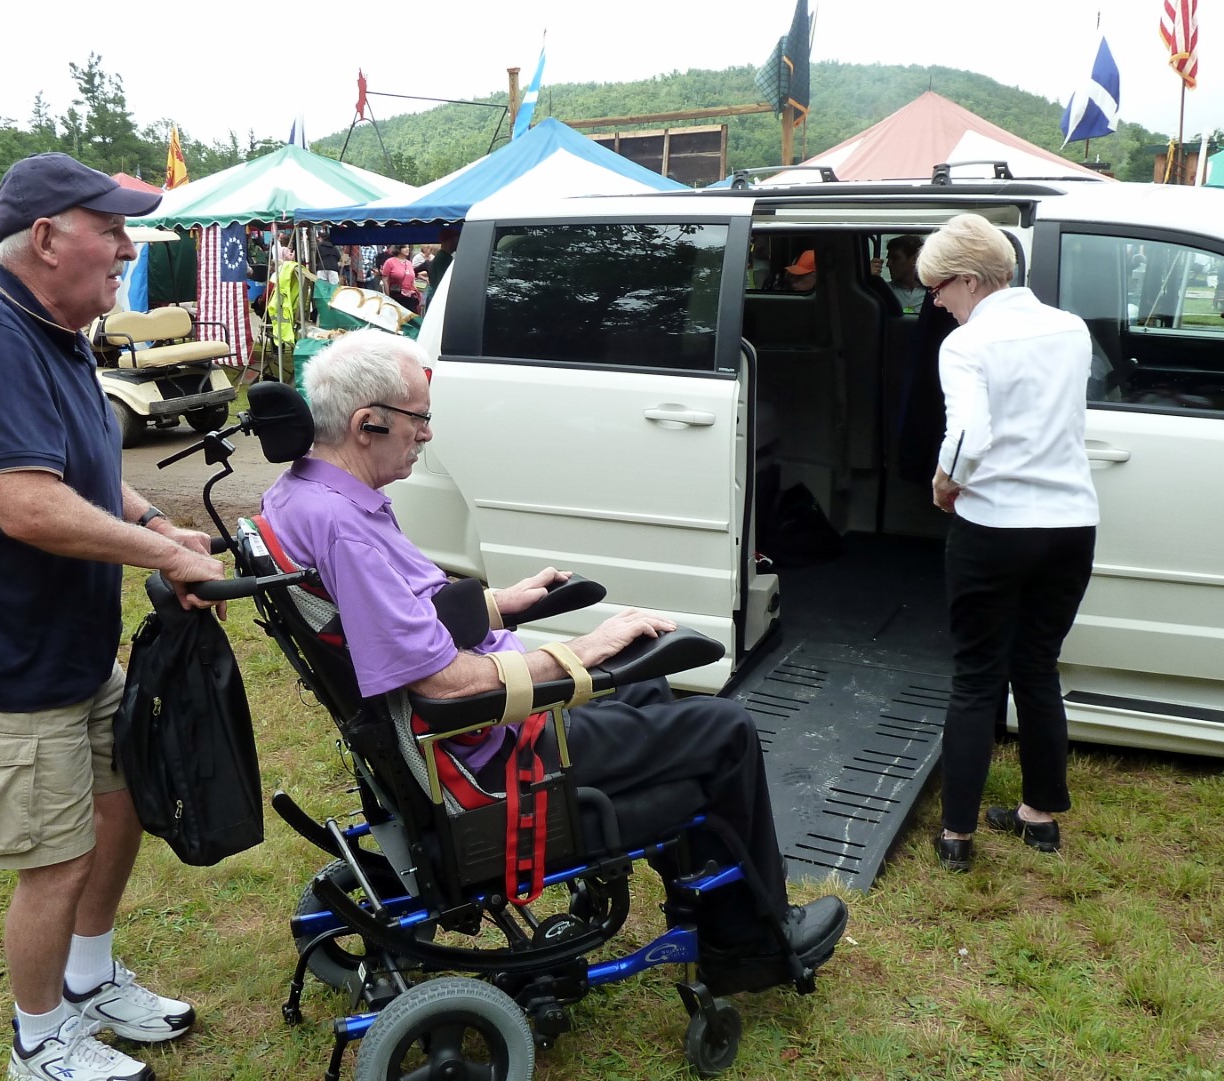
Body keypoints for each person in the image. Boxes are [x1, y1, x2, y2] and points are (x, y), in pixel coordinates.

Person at [260, 329, 850, 995]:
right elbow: (442, 684)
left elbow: (401, 618)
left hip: (447, 743)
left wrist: (500, 605)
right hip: (487, 753)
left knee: (653, 688)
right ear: (370, 422)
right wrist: (577, 654)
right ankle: (747, 945)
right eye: (420, 419)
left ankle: (705, 900)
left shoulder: (305, 495)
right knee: (724, 730)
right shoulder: (346, 528)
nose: (427, 435)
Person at [0, 151, 227, 1081]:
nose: (127, 247)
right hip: (3, 659)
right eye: (111, 228)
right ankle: (37, 1043)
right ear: (46, 239)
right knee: (52, 855)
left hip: (74, 648)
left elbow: (81, 468)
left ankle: (87, 983)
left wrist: (158, 519)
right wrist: (165, 556)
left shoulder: (56, 332)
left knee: (120, 808)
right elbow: (26, 504)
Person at [918, 214, 1097, 873]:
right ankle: (1039, 817)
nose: (936, 302)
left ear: (969, 279)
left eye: (937, 288)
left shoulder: (966, 345)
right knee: (1038, 665)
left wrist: (944, 482)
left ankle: (957, 835)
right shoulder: (1070, 329)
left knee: (975, 677)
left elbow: (970, 433)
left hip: (994, 526)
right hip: (1071, 524)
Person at [883, 235, 927, 312]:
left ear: (914, 259)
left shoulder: (934, 293)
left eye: (895, 258)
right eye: (889, 258)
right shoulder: (884, 291)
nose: (888, 264)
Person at [380, 244, 421, 312]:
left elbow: (412, 280)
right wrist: (388, 297)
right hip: (396, 296)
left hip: (410, 297)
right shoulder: (389, 262)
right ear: (398, 249)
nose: (408, 249)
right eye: (404, 247)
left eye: (408, 247)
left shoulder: (409, 263)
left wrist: (416, 293)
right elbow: (385, 280)